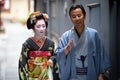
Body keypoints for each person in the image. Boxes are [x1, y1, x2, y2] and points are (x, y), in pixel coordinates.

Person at [55, 4, 111, 80]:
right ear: (71, 19)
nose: (77, 19)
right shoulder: (65, 36)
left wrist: (100, 73)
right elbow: (57, 56)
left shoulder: (94, 34)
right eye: (73, 17)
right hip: (72, 76)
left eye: (79, 15)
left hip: (91, 74)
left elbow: (100, 55)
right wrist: (65, 51)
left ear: (84, 16)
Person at [18, 11, 58, 80]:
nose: (41, 29)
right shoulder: (27, 45)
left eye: (43, 26)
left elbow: (55, 64)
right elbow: (22, 66)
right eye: (38, 26)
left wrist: (52, 59)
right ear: (33, 28)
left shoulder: (50, 44)